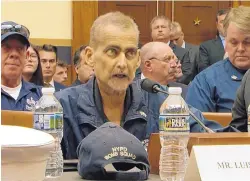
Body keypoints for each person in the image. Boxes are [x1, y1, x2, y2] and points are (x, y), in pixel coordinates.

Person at [55, 12, 222, 159]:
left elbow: (215, 138)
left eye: (130, 53)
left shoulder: (160, 100)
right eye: (112, 52)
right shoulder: (62, 107)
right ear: (90, 57)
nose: (122, 63)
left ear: (137, 60)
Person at [186, 6, 250, 113]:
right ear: (225, 44)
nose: (240, 49)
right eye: (233, 42)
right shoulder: (205, 81)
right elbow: (197, 124)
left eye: (248, 42)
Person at [1, 21, 42, 111]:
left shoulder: (41, 97)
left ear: (26, 56)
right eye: (6, 48)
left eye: (19, 49)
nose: (14, 54)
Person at [150, 15, 193, 85]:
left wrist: (166, 84)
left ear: (170, 30)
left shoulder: (183, 53)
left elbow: (186, 75)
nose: (160, 30)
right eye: (156, 27)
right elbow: (137, 74)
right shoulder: (144, 52)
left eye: (163, 27)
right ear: (151, 32)